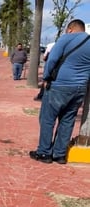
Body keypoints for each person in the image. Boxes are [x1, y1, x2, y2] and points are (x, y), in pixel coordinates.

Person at [29, 19, 90, 164]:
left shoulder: (66, 38)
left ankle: (44, 153)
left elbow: (52, 60)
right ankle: (59, 154)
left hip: (59, 86)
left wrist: (46, 77)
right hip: (80, 88)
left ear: (70, 29)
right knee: (67, 120)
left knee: (47, 119)